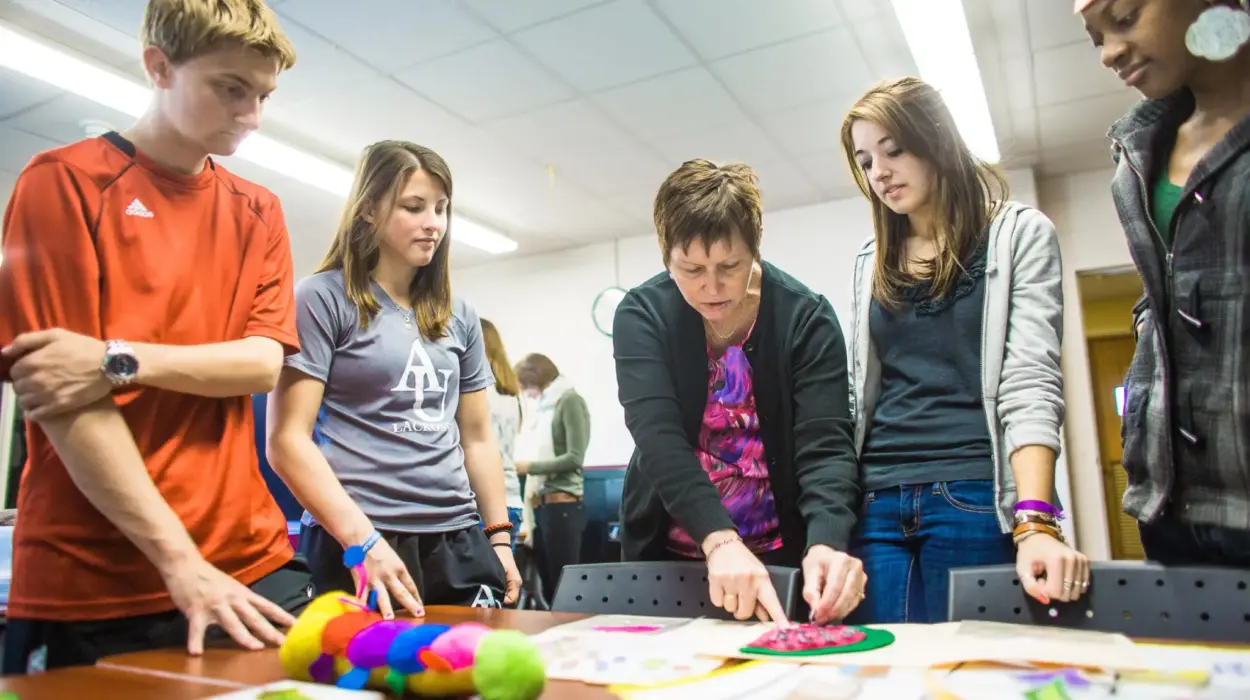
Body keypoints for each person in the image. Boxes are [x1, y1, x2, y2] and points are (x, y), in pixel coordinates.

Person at [0, 0, 311, 672]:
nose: (251, 116)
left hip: (248, 559)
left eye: (263, 96)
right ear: (158, 66)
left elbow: (260, 366)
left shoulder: (260, 211)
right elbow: (65, 395)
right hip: (97, 577)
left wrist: (117, 358)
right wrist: (179, 559)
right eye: (230, 89)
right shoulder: (63, 183)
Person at [841, 77, 1089, 624]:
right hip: (877, 501)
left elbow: (1030, 379)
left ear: (937, 141)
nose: (878, 173)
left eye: (893, 150)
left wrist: (1036, 521)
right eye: (864, 161)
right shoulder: (870, 259)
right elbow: (860, 397)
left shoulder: (1018, 234)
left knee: (973, 671)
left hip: (973, 494)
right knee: (885, 672)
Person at [265, 140, 522, 621]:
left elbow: (478, 439)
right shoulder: (323, 298)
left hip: (457, 536)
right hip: (362, 534)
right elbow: (286, 441)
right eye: (414, 207)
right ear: (367, 210)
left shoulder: (459, 315)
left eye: (442, 209)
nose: (434, 223)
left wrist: (500, 539)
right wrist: (362, 542)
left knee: (469, 677)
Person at [614, 159, 865, 626]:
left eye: (730, 265)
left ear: (756, 249)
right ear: (666, 256)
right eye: (690, 269)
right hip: (672, 553)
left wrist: (827, 541)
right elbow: (658, 439)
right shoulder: (641, 315)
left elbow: (825, 445)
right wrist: (720, 540)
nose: (712, 287)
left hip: (781, 551)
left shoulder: (805, 318)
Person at [1077, 0, 1250, 565]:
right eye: (1093, 36)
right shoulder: (1140, 148)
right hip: (1169, 502)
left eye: (1124, 17)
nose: (1108, 53)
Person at [514, 353, 590, 601]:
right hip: (543, 505)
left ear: (538, 380)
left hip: (563, 505)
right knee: (548, 586)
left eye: (526, 386)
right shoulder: (548, 408)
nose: (526, 393)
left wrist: (530, 467)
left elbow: (574, 458)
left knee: (563, 588)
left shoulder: (570, 401)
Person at [480, 318, 525, 545]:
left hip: (485, 504)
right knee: (506, 579)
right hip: (512, 498)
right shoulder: (511, 394)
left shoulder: (476, 391)